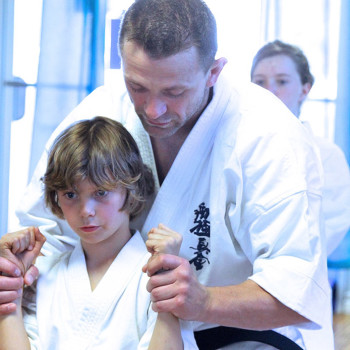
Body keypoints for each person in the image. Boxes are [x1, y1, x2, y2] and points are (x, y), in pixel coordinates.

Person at [0, 1, 334, 349]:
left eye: (174, 92)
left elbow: (296, 290)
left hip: (236, 332)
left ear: (213, 72)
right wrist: (15, 268)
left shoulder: (268, 135)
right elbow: (46, 231)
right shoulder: (103, 111)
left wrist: (203, 302)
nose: (153, 110)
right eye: (138, 87)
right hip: (119, 330)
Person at [0, 116, 197, 350]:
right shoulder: (40, 275)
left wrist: (167, 281)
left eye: (101, 192)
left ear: (130, 189)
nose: (86, 211)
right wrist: (10, 284)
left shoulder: (157, 276)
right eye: (71, 195)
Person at [251, 39, 350, 255]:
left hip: (297, 277)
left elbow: (328, 230)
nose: (270, 91)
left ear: (305, 89)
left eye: (282, 81)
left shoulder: (327, 156)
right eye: (260, 82)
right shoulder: (236, 149)